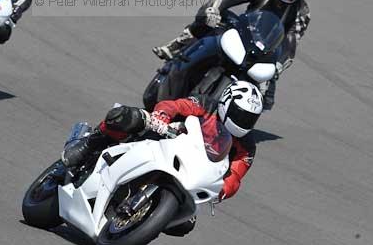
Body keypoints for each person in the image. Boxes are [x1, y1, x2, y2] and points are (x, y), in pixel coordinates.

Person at [61, 81, 263, 236]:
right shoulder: (206, 104)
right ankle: (89, 143)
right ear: (226, 102)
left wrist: (221, 191)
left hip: (191, 171)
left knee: (185, 224)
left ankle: (141, 223)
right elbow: (174, 106)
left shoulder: (247, 146)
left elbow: (235, 176)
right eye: (241, 114)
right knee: (125, 117)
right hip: (162, 138)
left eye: (250, 118)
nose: (243, 121)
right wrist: (162, 117)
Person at [152, 0, 310, 108]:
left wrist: (278, 66)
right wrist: (213, 9)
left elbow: (290, 45)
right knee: (208, 21)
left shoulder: (302, 12)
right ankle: (179, 44)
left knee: (264, 97)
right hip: (243, 32)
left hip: (266, 50)